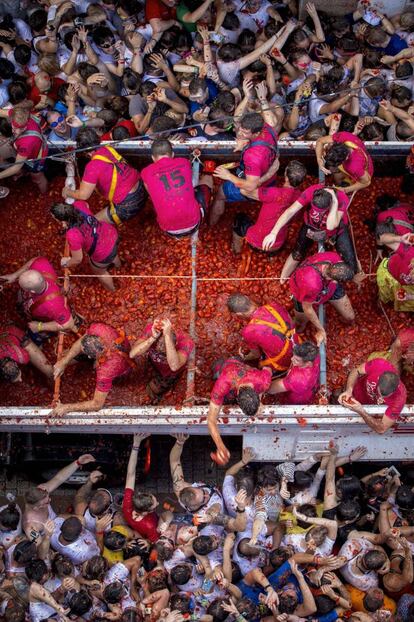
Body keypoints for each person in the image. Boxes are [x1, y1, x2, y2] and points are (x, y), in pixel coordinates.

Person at [263, 186, 358, 280]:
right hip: (311, 226)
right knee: (297, 253)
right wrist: (273, 233)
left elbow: (331, 226)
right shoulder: (311, 192)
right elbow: (290, 211)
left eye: (321, 212)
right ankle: (282, 279)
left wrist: (334, 203)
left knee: (350, 263)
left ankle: (354, 281)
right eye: (315, 210)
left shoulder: (341, 199)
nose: (317, 214)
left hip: (337, 230)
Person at [210, 105, 280, 226]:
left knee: (220, 193)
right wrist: (247, 141)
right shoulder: (269, 129)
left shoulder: (252, 156)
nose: (240, 134)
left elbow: (250, 186)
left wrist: (228, 176)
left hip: (256, 184)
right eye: (240, 129)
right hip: (269, 178)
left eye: (245, 132)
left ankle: (210, 225)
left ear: (256, 132)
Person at [61, 128, 145, 226]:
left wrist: (68, 192)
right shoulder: (108, 148)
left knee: (91, 224)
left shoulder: (92, 166)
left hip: (129, 205)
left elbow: (83, 195)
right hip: (141, 188)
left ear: (85, 152)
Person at [51, 322, 133, 416]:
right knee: (65, 355)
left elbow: (97, 404)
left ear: (90, 357)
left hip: (122, 367)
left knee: (119, 377)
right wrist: (64, 361)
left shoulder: (105, 372)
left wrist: (66, 408)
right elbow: (82, 341)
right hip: (123, 348)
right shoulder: (99, 329)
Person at [141, 138, 213, 236]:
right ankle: (210, 223)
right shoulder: (183, 162)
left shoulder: (146, 172)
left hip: (168, 229)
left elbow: (150, 192)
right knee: (208, 178)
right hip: (193, 223)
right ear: (173, 154)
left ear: (153, 158)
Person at [233, 160, 307, 254]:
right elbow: (296, 219)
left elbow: (244, 191)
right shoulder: (301, 199)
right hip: (277, 245)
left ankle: (237, 250)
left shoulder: (274, 193)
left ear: (286, 177)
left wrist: (261, 179)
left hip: (256, 241)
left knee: (239, 218)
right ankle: (271, 256)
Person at [208, 357, 272, 465]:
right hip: (227, 366)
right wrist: (220, 445)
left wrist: (260, 397)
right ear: (237, 397)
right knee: (214, 369)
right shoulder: (222, 384)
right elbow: (211, 420)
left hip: (240, 365)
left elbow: (268, 368)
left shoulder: (264, 382)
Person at [1, 256, 79, 337]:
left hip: (44, 318)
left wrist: (39, 326)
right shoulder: (41, 264)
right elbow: (33, 261)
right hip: (29, 304)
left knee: (40, 335)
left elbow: (68, 324)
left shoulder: (54, 306)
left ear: (32, 292)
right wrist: (14, 275)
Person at [50, 201, 120, 292]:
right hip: (111, 233)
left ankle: (112, 290)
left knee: (100, 272)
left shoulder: (72, 234)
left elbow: (78, 259)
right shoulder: (78, 205)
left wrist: (66, 263)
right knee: (113, 253)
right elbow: (87, 204)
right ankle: (119, 265)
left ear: (62, 220)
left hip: (103, 252)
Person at [289, 251, 355, 345]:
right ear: (332, 280)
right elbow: (307, 308)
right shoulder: (312, 284)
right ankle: (292, 340)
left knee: (350, 317)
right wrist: (320, 330)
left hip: (327, 289)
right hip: (303, 291)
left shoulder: (334, 258)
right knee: (300, 325)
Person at [226, 293, 298, 376]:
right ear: (248, 298)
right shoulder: (274, 305)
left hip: (285, 361)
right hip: (298, 345)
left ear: (239, 314)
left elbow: (256, 355)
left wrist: (245, 357)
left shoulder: (249, 331)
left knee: (262, 367)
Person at [129, 316, 194, 403]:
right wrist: (153, 338)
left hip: (171, 373)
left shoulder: (186, 342)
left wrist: (167, 336)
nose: (159, 348)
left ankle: (158, 398)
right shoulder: (151, 331)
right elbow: (132, 354)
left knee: (154, 390)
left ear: (176, 344)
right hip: (155, 365)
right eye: (157, 345)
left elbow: (174, 366)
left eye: (164, 350)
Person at [339, 356, 407, 434]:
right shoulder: (379, 365)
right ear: (378, 380)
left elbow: (382, 429)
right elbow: (356, 371)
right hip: (356, 392)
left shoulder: (399, 398)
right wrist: (349, 390)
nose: (381, 397)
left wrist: (361, 411)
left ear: (395, 389)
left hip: (370, 413)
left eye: (385, 396)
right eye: (380, 393)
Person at [0, 104, 48, 197]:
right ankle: (24, 173)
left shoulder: (27, 142)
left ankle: (45, 196)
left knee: (37, 178)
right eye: (15, 127)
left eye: (22, 128)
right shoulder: (20, 115)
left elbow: (16, 167)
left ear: (27, 121)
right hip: (30, 150)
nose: (17, 132)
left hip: (36, 158)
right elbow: (1, 112)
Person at [316, 130, 374, 194]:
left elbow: (367, 182)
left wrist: (345, 190)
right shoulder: (344, 136)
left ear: (345, 159)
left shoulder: (353, 167)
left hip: (363, 171)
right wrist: (319, 159)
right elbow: (320, 141)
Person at [376, 237, 414, 311]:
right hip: (388, 275)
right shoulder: (409, 252)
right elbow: (382, 238)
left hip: (403, 283)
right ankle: (381, 302)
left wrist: (409, 296)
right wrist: (379, 246)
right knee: (385, 293)